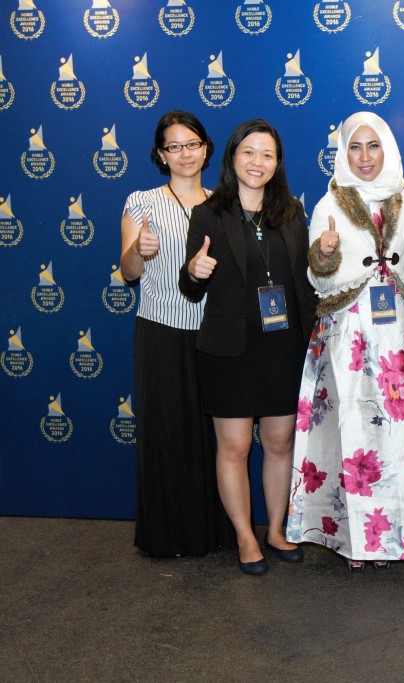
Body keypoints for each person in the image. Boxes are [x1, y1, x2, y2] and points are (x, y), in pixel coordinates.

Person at [284, 112, 404, 571]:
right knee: (352, 436)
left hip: (396, 335)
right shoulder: (328, 204)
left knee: (395, 436)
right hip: (348, 335)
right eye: (355, 147)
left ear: (387, 150)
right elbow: (318, 281)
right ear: (344, 152)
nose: (365, 156)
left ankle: (396, 533)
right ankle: (355, 540)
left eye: (374, 146)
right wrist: (324, 255)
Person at [178, 119, 317, 576]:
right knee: (235, 446)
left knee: (279, 443)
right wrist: (194, 272)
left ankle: (275, 529)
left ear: (278, 163)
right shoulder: (209, 212)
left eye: (268, 155)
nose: (258, 162)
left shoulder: (292, 213)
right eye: (249, 152)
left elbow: (306, 282)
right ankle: (244, 535)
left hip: (283, 348)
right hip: (228, 350)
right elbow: (190, 286)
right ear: (233, 157)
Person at [120, 110, 234, 557]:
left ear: (206, 149)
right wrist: (139, 249)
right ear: (161, 154)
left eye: (192, 144)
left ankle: (215, 534)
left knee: (217, 437)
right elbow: (129, 273)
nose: (185, 154)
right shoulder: (142, 202)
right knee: (166, 433)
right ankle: (166, 536)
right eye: (174, 146)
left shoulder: (224, 203)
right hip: (161, 333)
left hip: (214, 334)